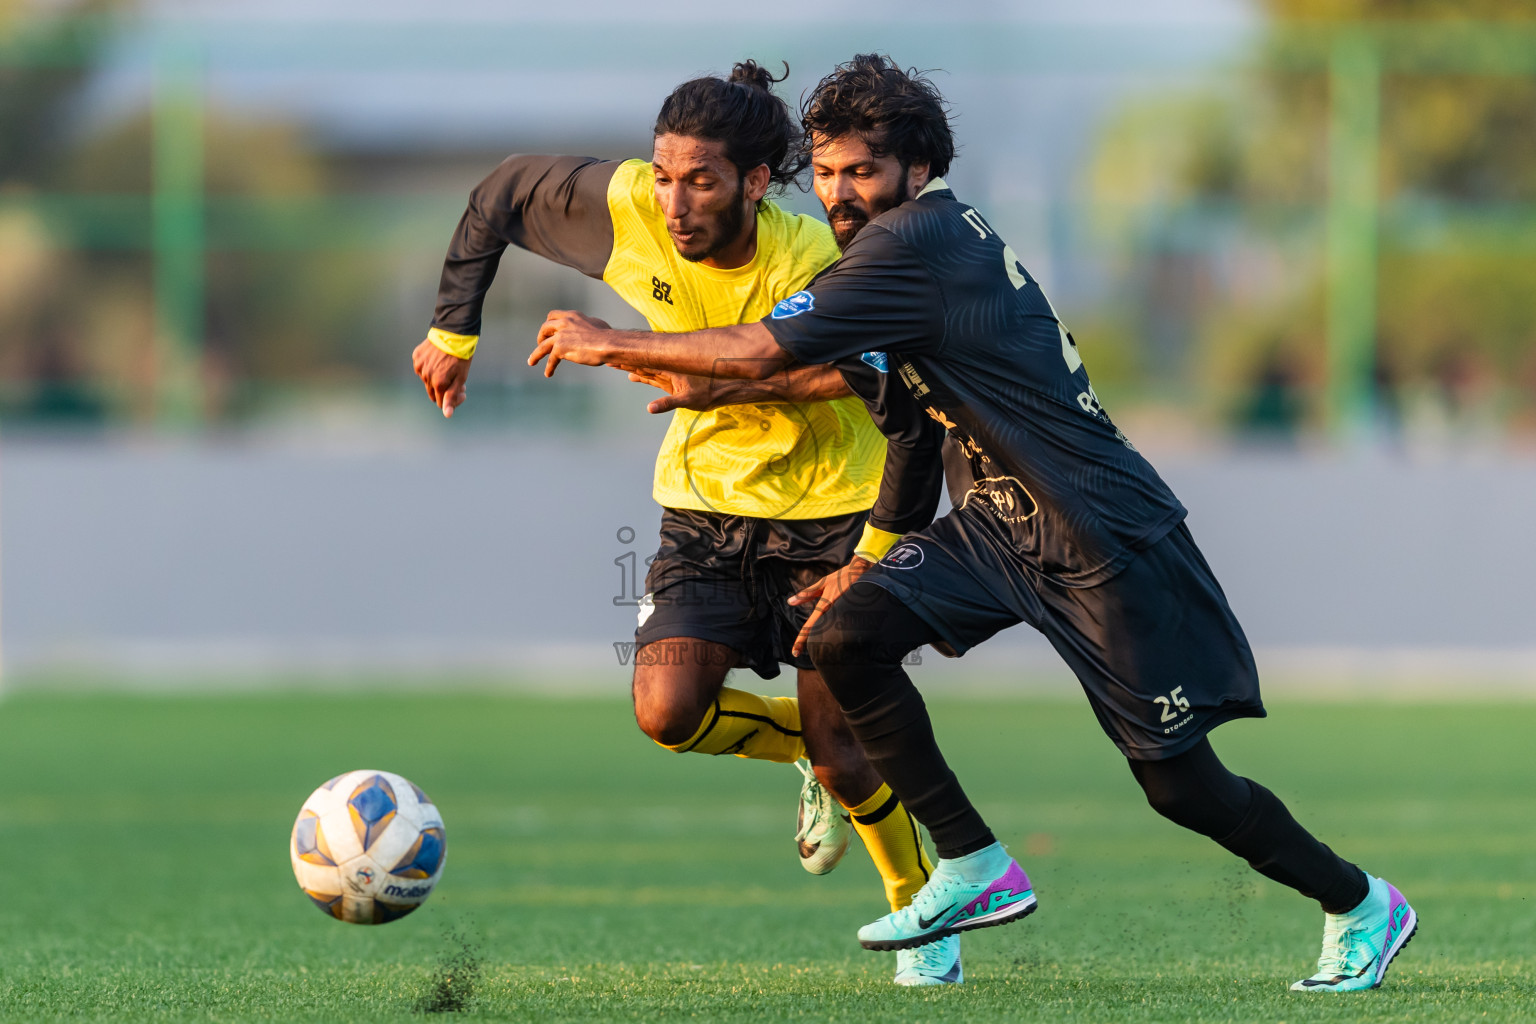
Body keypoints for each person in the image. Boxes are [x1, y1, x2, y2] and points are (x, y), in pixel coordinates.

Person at [527, 54, 1419, 994]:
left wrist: (612, 339)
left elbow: (763, 348)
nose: (839, 193)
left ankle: (1359, 903)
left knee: (1182, 789)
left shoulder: (914, 244)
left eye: (861, 171)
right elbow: (908, 427)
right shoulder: (904, 251)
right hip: (997, 522)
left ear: (917, 169)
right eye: (825, 171)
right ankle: (973, 864)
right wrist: (869, 556)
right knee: (844, 636)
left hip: (1098, 536)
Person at [412, 61, 960, 986]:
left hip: (832, 515)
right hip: (705, 511)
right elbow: (500, 193)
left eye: (700, 180)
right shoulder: (628, 207)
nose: (673, 202)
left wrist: (698, 374)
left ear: (752, 182)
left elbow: (857, 373)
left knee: (847, 759)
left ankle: (921, 921)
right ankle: (814, 748)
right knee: (666, 713)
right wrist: (453, 332)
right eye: (664, 174)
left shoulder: (816, 257)